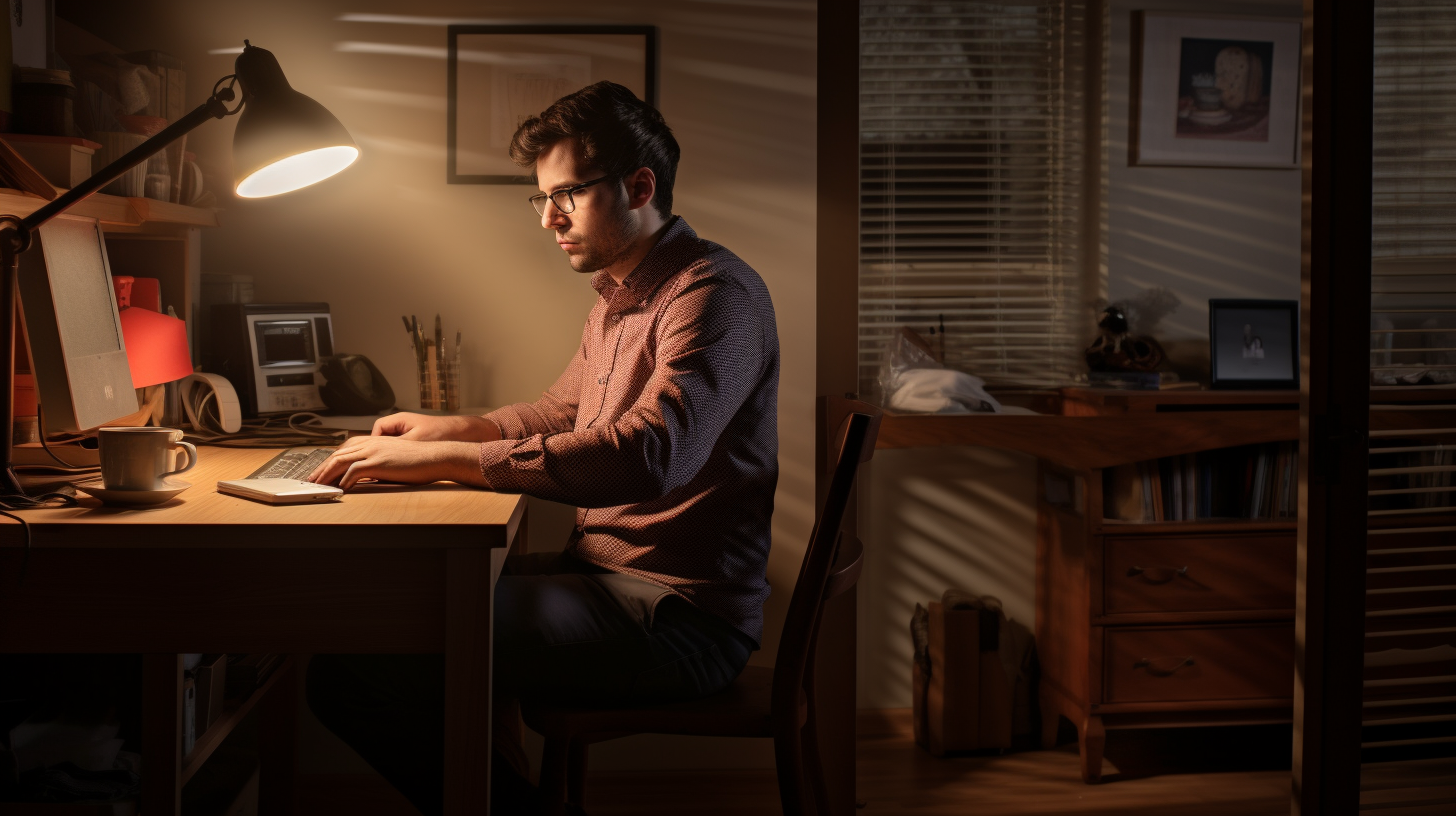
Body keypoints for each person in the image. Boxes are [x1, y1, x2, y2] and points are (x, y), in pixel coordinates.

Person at [303, 81, 780, 816]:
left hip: (678, 618)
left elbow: (653, 455)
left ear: (639, 186)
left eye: (568, 195)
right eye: (541, 199)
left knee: (355, 668)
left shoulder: (713, 294)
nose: (549, 218)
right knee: (389, 607)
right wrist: (448, 429)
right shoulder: (622, 295)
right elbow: (563, 409)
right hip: (607, 581)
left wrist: (446, 464)